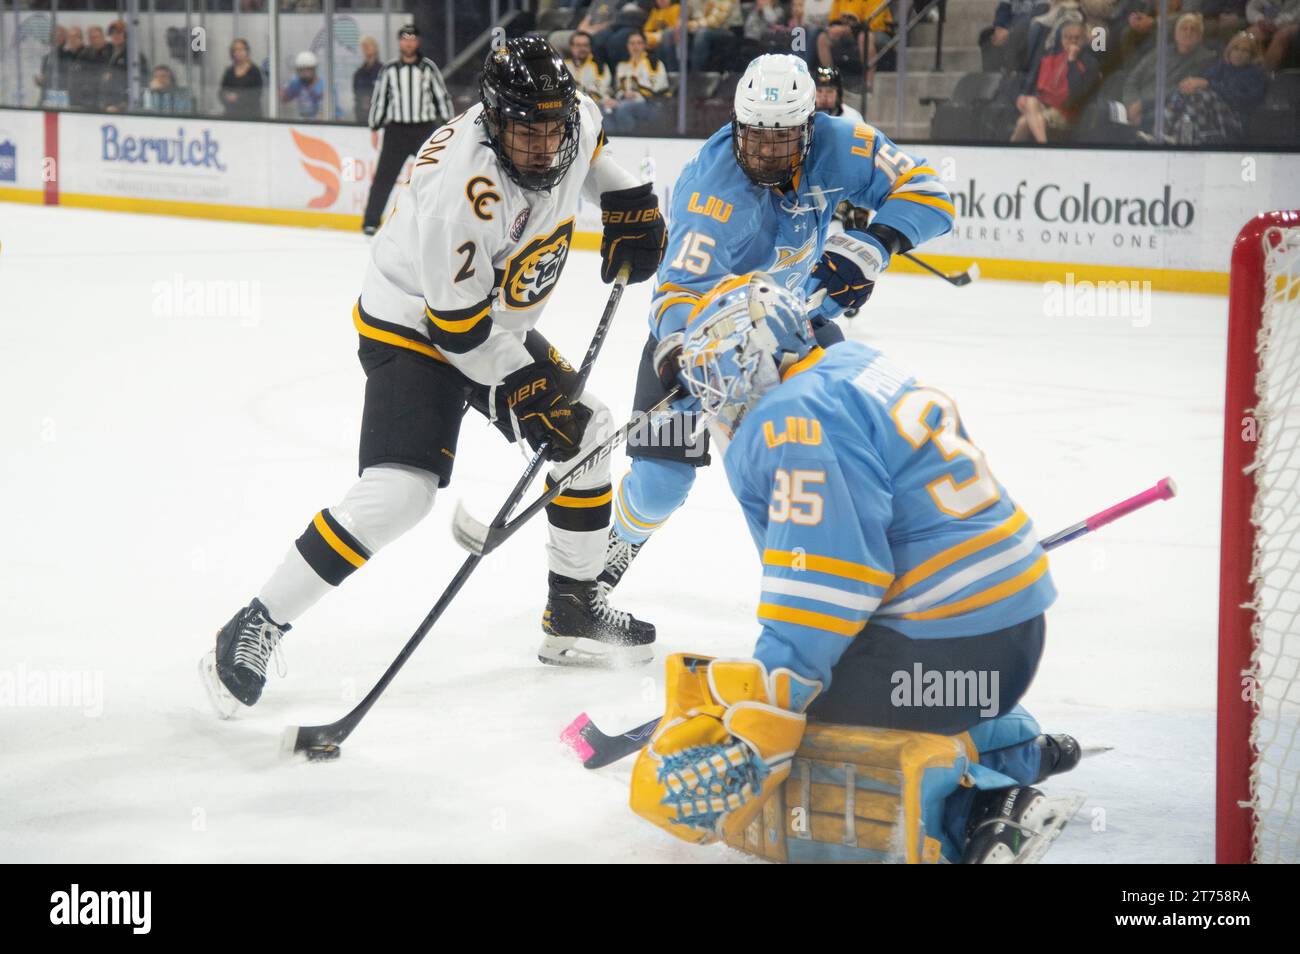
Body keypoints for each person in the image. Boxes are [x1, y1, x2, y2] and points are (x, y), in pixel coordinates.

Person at [199, 37, 668, 717]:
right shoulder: (462, 192)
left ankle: (572, 614)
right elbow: (457, 332)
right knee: (399, 495)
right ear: (492, 118)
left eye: (551, 130)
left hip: (491, 319)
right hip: (416, 326)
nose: (543, 147)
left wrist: (631, 202)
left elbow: (595, 160)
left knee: (588, 433)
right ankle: (255, 622)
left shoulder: (575, 119)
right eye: (525, 131)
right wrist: (525, 389)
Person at [627, 274, 1079, 862]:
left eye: (717, 369)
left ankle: (983, 807)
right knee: (829, 688)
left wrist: (769, 708)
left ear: (758, 352)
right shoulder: (854, 365)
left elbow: (830, 583)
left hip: (947, 655)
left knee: (806, 726)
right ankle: (1019, 747)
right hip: (1003, 646)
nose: (713, 395)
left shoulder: (788, 417)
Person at [599, 54, 953, 602]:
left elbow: (931, 191)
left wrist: (876, 243)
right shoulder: (711, 185)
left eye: (781, 138)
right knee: (659, 486)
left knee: (833, 452)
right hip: (706, 341)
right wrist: (685, 355)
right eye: (754, 137)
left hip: (794, 326)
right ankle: (593, 575)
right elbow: (676, 293)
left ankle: (844, 585)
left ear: (810, 127)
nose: (764, 153)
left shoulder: (841, 143)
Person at [361, 24, 454, 235]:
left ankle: (441, 219)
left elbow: (442, 98)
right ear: (400, 42)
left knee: (435, 176)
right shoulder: (390, 70)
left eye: (412, 38)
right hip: (397, 131)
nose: (409, 42)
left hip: (424, 130)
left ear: (417, 42)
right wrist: (375, 127)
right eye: (405, 38)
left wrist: (450, 127)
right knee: (384, 177)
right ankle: (371, 221)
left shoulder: (428, 68)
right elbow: (380, 100)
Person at [1164, 28, 1268, 142]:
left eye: (1245, 50)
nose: (1239, 53)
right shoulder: (1221, 67)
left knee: (1202, 96)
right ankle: (1165, 133)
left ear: (1251, 55)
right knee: (1186, 91)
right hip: (1210, 114)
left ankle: (1180, 137)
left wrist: (1208, 85)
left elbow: (1242, 100)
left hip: (1235, 118)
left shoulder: (1255, 74)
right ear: (1229, 50)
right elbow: (1205, 83)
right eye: (1236, 49)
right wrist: (1192, 85)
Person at [1011, 17, 1098, 142]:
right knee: (1029, 101)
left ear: (1085, 39)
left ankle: (1043, 146)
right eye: (1068, 37)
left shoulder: (1090, 62)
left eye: (1077, 38)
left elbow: (1076, 94)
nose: (1073, 41)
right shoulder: (1053, 59)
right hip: (1049, 106)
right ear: (1062, 40)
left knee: (1023, 123)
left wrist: (1072, 61)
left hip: (1071, 111)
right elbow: (1042, 89)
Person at [604, 30, 672, 133]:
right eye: (632, 43)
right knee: (604, 108)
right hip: (625, 102)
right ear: (627, 46)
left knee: (623, 108)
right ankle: (613, 142)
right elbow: (617, 89)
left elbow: (658, 89)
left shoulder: (654, 63)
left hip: (651, 104)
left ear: (645, 45)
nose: (635, 46)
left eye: (639, 43)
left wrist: (636, 94)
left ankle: (627, 140)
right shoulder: (622, 65)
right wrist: (616, 98)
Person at [280, 50, 342, 121]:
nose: (304, 73)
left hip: (322, 126)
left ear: (314, 69)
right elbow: (284, 98)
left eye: (308, 69)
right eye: (301, 70)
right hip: (301, 124)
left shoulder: (326, 87)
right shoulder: (297, 83)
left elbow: (336, 115)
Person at [564, 30, 613, 103]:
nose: (582, 49)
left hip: (592, 105)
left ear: (590, 47)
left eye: (585, 45)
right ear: (571, 47)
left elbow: (599, 91)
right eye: (578, 45)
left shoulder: (600, 66)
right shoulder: (563, 65)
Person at [220, 38, 265, 119]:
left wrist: (238, 98)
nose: (238, 52)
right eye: (235, 50)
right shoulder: (229, 72)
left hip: (251, 116)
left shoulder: (254, 71)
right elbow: (221, 91)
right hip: (231, 115)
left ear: (247, 51)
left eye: (241, 49)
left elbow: (257, 93)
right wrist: (227, 96)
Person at [352, 36, 384, 125]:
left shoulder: (383, 71)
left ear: (376, 48)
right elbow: (356, 95)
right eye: (364, 46)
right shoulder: (358, 74)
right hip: (362, 118)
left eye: (369, 45)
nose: (366, 48)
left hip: (379, 118)